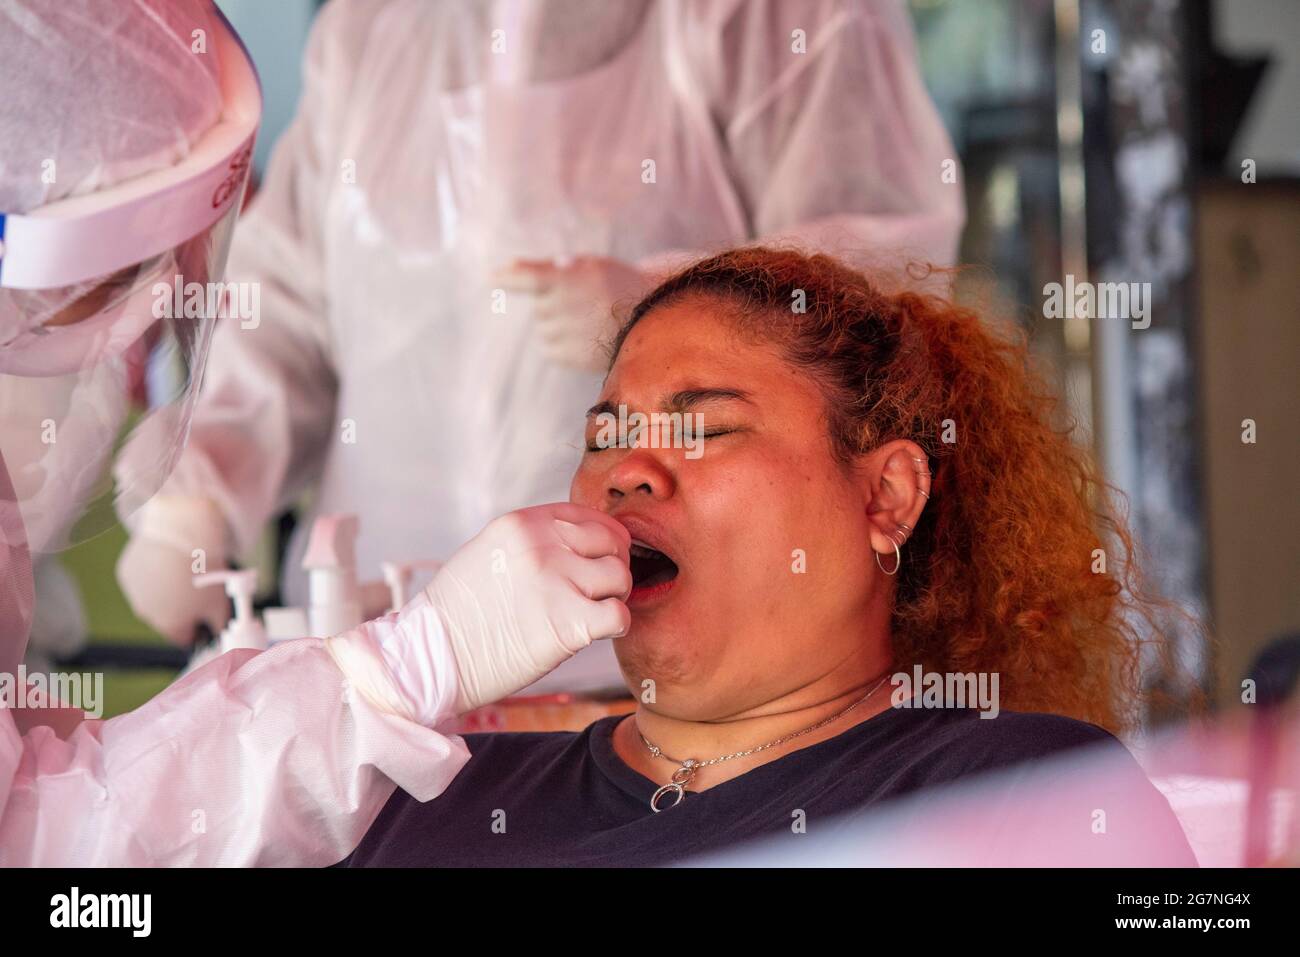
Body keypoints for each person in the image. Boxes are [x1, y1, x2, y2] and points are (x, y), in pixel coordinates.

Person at [118, 0, 966, 695]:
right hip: (388, 665)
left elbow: (884, 276)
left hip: (664, 668)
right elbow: (286, 307)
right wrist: (197, 496)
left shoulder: (782, 17)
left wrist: (668, 298)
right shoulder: (370, 29)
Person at [0, 0, 631, 866]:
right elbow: (58, 850)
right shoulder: (375, 32)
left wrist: (664, 290)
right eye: (115, 271)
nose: (148, 310)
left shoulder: (764, 22)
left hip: (585, 674)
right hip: (385, 633)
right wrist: (403, 665)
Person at [340, 247, 1198, 867]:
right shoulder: (434, 787)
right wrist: (396, 670)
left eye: (704, 427)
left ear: (885, 497)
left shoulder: (1027, 791)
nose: (626, 471)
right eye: (604, 435)